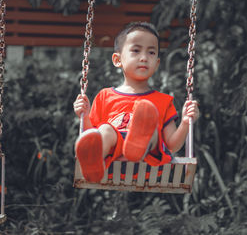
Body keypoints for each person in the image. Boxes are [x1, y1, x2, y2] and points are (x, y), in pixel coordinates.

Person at [73, 22, 199, 183]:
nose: (144, 58)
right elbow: (91, 136)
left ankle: (138, 145)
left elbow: (172, 145)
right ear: (117, 59)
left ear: (157, 63)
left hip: (148, 160)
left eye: (151, 52)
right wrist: (83, 116)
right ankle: (93, 165)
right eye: (136, 50)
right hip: (113, 160)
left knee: (150, 127)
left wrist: (186, 122)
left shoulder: (163, 101)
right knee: (104, 130)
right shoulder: (105, 96)